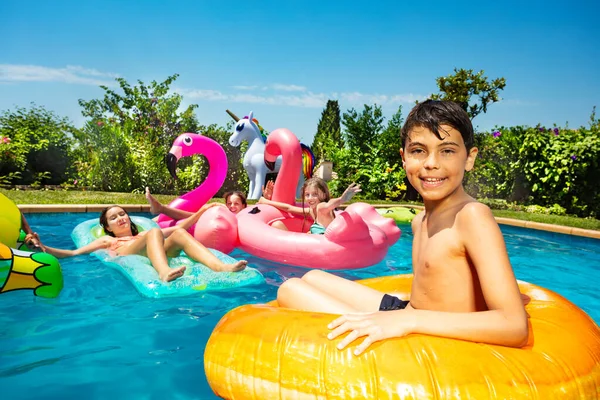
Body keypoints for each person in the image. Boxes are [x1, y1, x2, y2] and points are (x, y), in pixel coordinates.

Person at [276, 100, 529, 355]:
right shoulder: (420, 221)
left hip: (427, 333)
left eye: (447, 151)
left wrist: (409, 321)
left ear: (469, 158)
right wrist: (405, 316)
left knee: (289, 289)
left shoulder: (472, 216)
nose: (431, 163)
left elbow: (514, 325)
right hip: (409, 312)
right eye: (419, 150)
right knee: (312, 277)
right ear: (404, 158)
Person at [38, 203, 248, 282]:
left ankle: (221, 267)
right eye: (114, 218)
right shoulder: (107, 239)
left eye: (122, 214)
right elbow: (73, 254)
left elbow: (178, 229)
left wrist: (201, 212)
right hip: (129, 253)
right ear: (108, 227)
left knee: (179, 236)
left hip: (148, 244)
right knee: (154, 233)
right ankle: (164, 272)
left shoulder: (147, 233)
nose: (121, 218)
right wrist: (43, 248)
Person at [257, 178, 361, 234]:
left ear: (324, 195)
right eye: (307, 195)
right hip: (315, 248)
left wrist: (341, 199)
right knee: (277, 225)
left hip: (324, 252)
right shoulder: (311, 210)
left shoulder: (321, 207)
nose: (310, 198)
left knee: (277, 226)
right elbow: (288, 208)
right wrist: (267, 201)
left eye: (315, 194)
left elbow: (329, 204)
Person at [145, 184, 273, 219]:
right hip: (201, 221)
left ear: (244, 205)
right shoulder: (223, 211)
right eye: (229, 203)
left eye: (236, 203)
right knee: (192, 217)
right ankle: (161, 209)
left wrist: (267, 198)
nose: (232, 206)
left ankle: (161, 209)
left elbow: (261, 209)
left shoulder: (246, 213)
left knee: (193, 216)